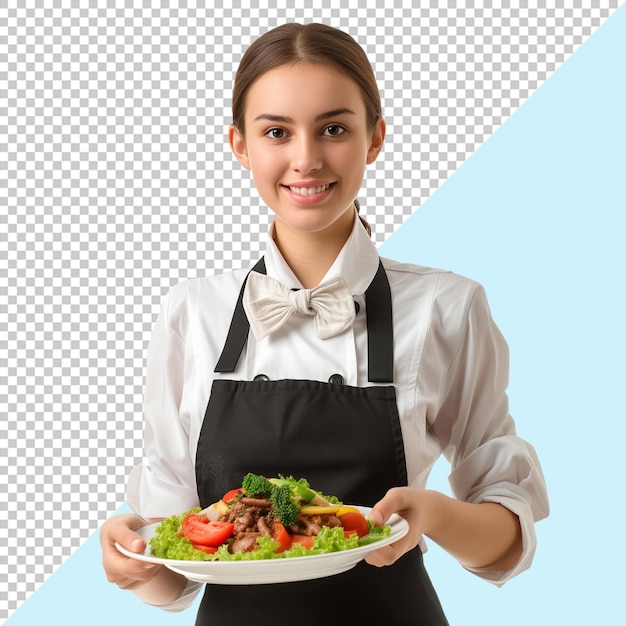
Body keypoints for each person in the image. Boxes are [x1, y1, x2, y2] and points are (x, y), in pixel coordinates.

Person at [100, 22, 549, 625]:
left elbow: (507, 546)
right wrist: (133, 562)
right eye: (277, 132)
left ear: (375, 138)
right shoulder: (192, 312)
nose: (306, 159)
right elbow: (173, 581)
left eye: (334, 129)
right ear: (240, 146)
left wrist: (433, 515)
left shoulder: (448, 305)